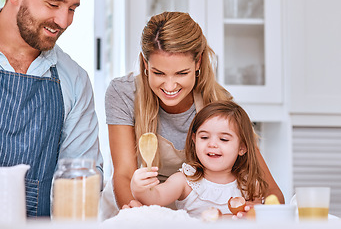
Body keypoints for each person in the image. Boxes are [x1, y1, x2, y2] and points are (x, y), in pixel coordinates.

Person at [100, 11, 283, 219]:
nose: (169, 86)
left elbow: (273, 193)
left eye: (181, 73)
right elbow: (124, 174)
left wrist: (254, 211)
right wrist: (137, 215)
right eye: (158, 73)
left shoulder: (218, 103)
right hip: (139, 203)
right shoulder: (123, 93)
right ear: (145, 64)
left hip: (192, 213)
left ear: (197, 63)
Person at [0, 0, 103, 219]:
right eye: (53, 4)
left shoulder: (75, 80)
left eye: (72, 9)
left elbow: (80, 179)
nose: (63, 21)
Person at [130, 101, 268, 218]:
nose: (212, 144)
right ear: (194, 139)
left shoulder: (250, 184)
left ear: (242, 148)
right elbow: (156, 198)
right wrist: (139, 189)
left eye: (223, 139)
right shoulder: (185, 181)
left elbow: (259, 218)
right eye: (204, 137)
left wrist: (255, 211)